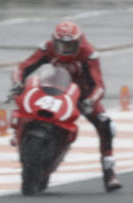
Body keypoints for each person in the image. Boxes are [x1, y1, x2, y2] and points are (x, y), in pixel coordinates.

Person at [11, 21, 122, 192]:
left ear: (78, 43)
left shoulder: (88, 53)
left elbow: (99, 85)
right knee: (23, 109)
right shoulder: (47, 48)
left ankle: (109, 172)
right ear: (54, 42)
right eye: (61, 45)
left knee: (106, 123)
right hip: (53, 89)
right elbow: (23, 67)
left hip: (81, 96)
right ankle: (18, 136)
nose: (65, 50)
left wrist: (91, 101)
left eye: (70, 46)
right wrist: (18, 83)